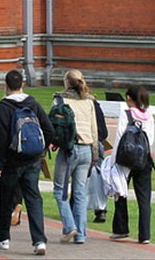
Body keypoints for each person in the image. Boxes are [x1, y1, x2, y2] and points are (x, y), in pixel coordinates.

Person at [0, 69, 55, 255]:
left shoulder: (4, 107)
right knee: (34, 199)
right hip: (32, 160)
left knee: (7, 199)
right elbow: (48, 129)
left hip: (12, 161)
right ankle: (39, 240)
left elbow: (0, 138)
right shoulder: (32, 102)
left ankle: (2, 238)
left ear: (6, 85)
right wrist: (41, 149)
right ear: (23, 85)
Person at [54, 69, 109, 245]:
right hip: (86, 149)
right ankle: (81, 234)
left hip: (69, 149)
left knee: (59, 190)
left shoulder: (60, 99)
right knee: (79, 193)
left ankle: (69, 226)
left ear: (66, 83)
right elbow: (95, 131)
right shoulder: (90, 102)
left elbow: (55, 126)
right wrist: (94, 155)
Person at [109, 84, 155, 245]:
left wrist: (113, 160)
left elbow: (119, 137)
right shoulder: (149, 116)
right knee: (144, 198)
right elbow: (151, 140)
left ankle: (121, 229)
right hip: (143, 159)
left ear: (129, 98)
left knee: (120, 192)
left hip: (126, 159)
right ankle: (145, 234)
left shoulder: (126, 114)